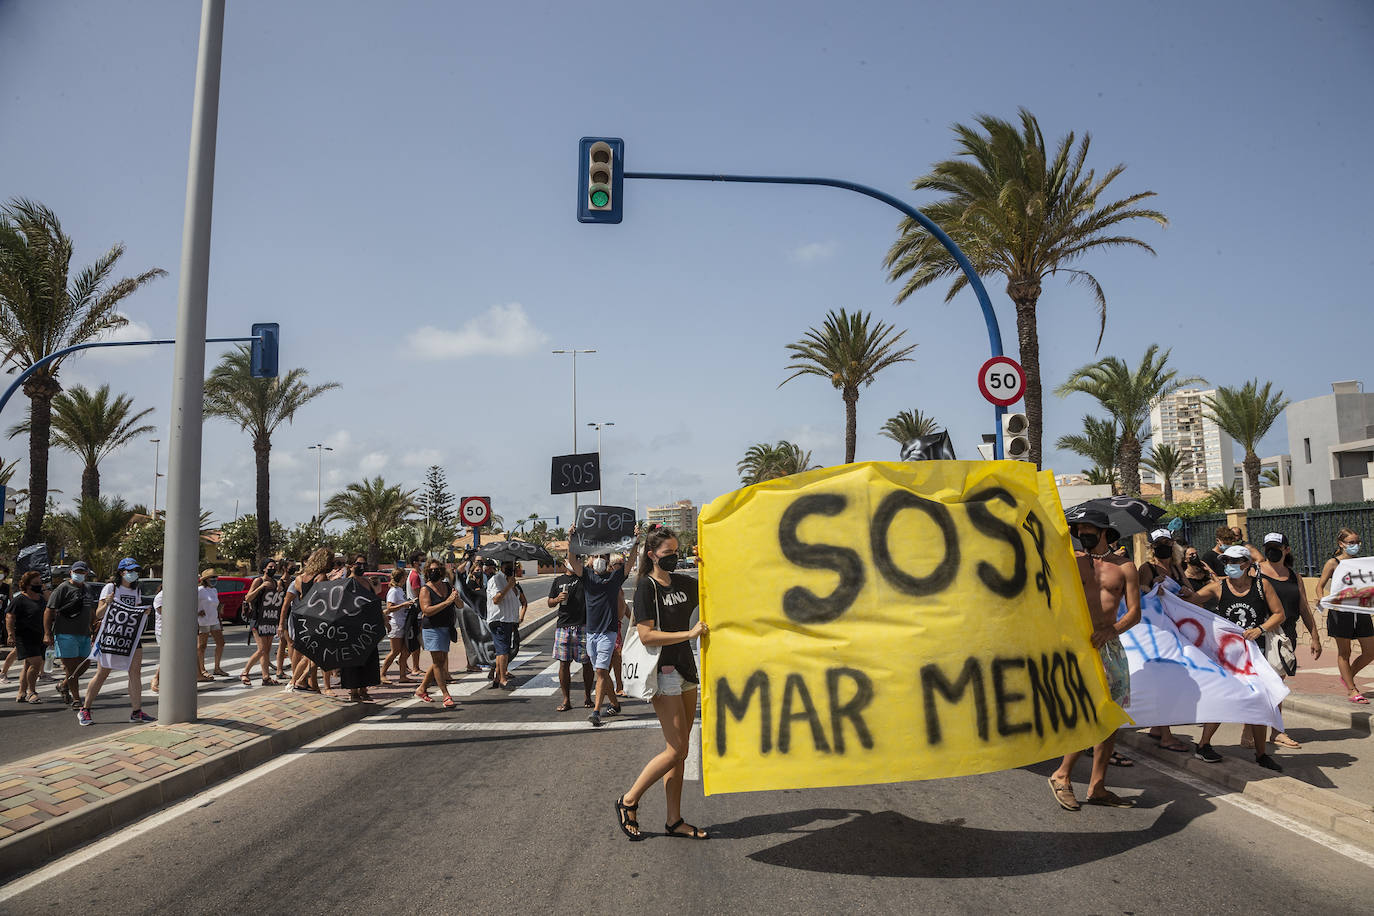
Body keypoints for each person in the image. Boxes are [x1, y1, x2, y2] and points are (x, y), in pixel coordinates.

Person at [615, 526, 709, 841]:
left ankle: (674, 820)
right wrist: (689, 634)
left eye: (677, 552)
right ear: (653, 555)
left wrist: (703, 562)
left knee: (679, 752)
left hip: (686, 669)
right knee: (677, 749)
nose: (674, 557)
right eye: (668, 554)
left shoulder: (682, 581)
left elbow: (714, 587)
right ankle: (628, 800)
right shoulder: (646, 587)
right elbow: (646, 635)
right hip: (663, 671)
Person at [1048, 509, 1141, 811]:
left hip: (1110, 647)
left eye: (1089, 529)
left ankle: (1098, 786)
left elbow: (1134, 613)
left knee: (1110, 718)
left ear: (1103, 531)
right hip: (1076, 648)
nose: (1083, 533)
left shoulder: (1125, 567)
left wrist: (1110, 630)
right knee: (1087, 712)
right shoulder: (1071, 561)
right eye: (1080, 529)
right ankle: (1062, 775)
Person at [1192, 545, 1287, 770]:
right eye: (1226, 562)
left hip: (1256, 655)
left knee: (1260, 701)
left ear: (1246, 564)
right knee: (1223, 698)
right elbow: (1191, 601)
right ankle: (1203, 745)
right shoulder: (1218, 587)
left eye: (1234, 561)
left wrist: (1260, 629)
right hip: (1226, 657)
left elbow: (1279, 614)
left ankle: (1261, 753)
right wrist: (1171, 594)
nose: (1230, 566)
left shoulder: (1262, 585)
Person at [1255, 532, 1322, 749]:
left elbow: (1303, 607)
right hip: (1263, 635)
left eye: (1276, 546)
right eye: (1268, 547)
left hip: (1286, 637)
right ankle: (1266, 730)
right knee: (1265, 685)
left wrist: (1315, 635)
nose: (1272, 551)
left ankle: (1271, 731)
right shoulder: (1254, 573)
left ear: (1287, 549)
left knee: (1276, 684)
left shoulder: (1294, 576)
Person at [1137, 530, 1196, 754]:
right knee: (1164, 681)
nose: (1163, 547)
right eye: (1158, 544)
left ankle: (1157, 728)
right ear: (1152, 547)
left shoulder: (1176, 568)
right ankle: (1166, 735)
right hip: (1156, 633)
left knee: (1173, 680)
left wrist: (1182, 589)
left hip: (1176, 629)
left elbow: (1190, 591)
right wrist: (1154, 585)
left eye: (1166, 543)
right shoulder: (1147, 568)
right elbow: (1140, 593)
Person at [79, 558, 154, 725]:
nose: (134, 573)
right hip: (112, 636)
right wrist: (108, 603)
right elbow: (99, 614)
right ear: (121, 572)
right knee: (102, 673)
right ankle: (85, 709)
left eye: (136, 570)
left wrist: (145, 613)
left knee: (135, 673)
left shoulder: (137, 591)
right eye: (130, 570)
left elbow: (136, 611)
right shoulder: (110, 588)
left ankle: (136, 711)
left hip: (131, 636)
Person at [567, 530, 631, 727]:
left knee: (601, 671)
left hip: (608, 633)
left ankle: (596, 712)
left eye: (602, 556)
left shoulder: (615, 578)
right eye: (595, 556)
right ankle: (615, 704)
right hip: (591, 633)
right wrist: (572, 539)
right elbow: (572, 560)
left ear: (608, 560)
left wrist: (635, 542)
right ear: (590, 559)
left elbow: (630, 563)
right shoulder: (586, 576)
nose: (598, 559)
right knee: (600, 672)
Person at [1317, 527, 1373, 704]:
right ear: (1341, 544)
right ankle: (1351, 689)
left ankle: (1347, 676)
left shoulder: (1362, 563)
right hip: (1340, 613)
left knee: (1370, 651)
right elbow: (1320, 586)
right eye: (1351, 543)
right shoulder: (1333, 563)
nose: (1355, 545)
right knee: (1345, 652)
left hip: (1361, 611)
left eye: (1357, 542)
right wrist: (1323, 600)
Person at [47, 561, 96, 706]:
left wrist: (93, 625)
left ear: (86, 573)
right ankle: (76, 698)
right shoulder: (62, 588)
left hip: (84, 633)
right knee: (71, 667)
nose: (79, 575)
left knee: (85, 664)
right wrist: (47, 633)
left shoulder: (87, 588)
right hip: (65, 633)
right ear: (71, 572)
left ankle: (63, 685)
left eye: (82, 572)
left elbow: (91, 609)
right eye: (77, 572)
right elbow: (48, 611)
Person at [283, 548, 332, 692]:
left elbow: (304, 599)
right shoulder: (321, 577)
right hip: (318, 619)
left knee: (310, 655)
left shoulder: (301, 578)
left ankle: (310, 685)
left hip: (305, 619)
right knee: (313, 655)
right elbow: (322, 599)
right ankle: (295, 682)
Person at [548, 561, 593, 711]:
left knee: (587, 663)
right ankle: (566, 699)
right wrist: (556, 599)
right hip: (563, 626)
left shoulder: (584, 577)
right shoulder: (558, 581)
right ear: (565, 562)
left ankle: (588, 696)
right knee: (563, 663)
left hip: (583, 625)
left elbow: (590, 564)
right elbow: (550, 602)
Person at [415, 559, 459, 707]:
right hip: (431, 628)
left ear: (441, 571)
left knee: (439, 661)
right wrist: (447, 602)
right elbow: (426, 610)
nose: (433, 572)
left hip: (446, 627)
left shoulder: (447, 586)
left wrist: (456, 599)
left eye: (436, 569)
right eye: (430, 570)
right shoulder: (425, 589)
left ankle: (421, 689)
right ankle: (446, 696)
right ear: (427, 572)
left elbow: (460, 605)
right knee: (438, 662)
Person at [338, 555, 381, 702]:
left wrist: (382, 620)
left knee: (368, 659)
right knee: (352, 661)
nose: (361, 567)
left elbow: (374, 603)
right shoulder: (345, 583)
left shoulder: (367, 582)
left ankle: (364, 689)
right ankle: (354, 691)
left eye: (364, 564)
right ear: (350, 565)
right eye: (358, 564)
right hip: (350, 627)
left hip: (367, 627)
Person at [7, 571, 47, 704]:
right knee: (37, 662)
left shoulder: (41, 598)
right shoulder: (19, 599)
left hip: (39, 636)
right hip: (24, 637)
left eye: (40, 582)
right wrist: (10, 634)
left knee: (28, 665)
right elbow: (10, 617)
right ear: (27, 585)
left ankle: (21, 692)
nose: (39, 585)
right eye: (36, 583)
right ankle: (32, 691)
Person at [239, 560, 282, 686]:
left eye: (274, 567)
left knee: (266, 650)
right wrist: (261, 587)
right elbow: (247, 598)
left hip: (270, 618)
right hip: (258, 619)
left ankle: (266, 677)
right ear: (264, 568)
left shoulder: (275, 582)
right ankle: (245, 672)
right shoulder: (259, 581)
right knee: (262, 649)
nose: (273, 569)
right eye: (270, 567)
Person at [485, 560, 524, 689]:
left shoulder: (510, 580)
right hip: (499, 620)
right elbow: (496, 599)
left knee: (502, 650)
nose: (512, 568)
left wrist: (512, 584)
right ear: (502, 566)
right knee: (503, 650)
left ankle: (497, 677)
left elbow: (515, 598)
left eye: (513, 566)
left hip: (507, 620)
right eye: (509, 566)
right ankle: (502, 679)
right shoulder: (495, 580)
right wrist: (508, 586)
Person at [380, 569, 416, 684]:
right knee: (395, 651)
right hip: (396, 624)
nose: (406, 579)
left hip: (403, 623)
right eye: (405, 577)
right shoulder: (393, 591)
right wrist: (403, 605)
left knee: (405, 651)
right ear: (401, 578)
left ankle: (402, 675)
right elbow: (390, 607)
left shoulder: (400, 590)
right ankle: (382, 674)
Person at [195, 569, 227, 680]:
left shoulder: (214, 590)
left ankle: (217, 667)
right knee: (202, 646)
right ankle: (202, 669)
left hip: (214, 620)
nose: (214, 580)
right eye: (211, 578)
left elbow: (215, 606)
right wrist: (197, 612)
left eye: (215, 578)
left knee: (221, 642)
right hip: (203, 621)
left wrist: (220, 614)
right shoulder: (199, 590)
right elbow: (190, 602)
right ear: (205, 579)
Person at [404, 551, 426, 679]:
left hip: (418, 612)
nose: (423, 562)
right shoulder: (414, 576)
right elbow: (419, 595)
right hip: (417, 613)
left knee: (416, 642)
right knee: (415, 642)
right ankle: (414, 667)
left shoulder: (419, 575)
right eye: (421, 560)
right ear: (415, 562)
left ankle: (412, 665)